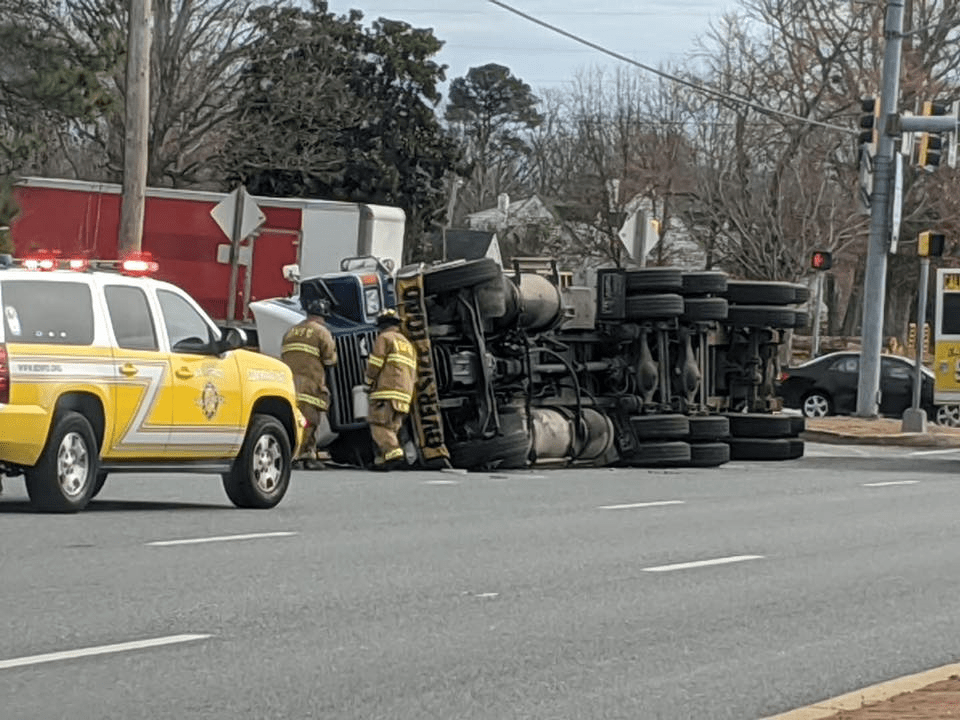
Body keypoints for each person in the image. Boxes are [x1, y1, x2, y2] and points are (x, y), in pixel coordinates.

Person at [281, 295, 337, 469]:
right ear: (324, 316)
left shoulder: (290, 331)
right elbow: (330, 360)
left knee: (293, 420)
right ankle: (302, 456)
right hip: (311, 384)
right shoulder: (321, 332)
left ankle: (301, 454)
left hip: (289, 383)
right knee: (309, 421)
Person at [365, 308, 417, 470]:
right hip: (404, 394)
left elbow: (376, 363)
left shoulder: (385, 338)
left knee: (378, 425)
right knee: (392, 427)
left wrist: (368, 381)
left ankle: (394, 455)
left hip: (386, 392)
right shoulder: (408, 345)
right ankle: (384, 459)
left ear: (381, 326)